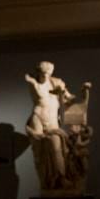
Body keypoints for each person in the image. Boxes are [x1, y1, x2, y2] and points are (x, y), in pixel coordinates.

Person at [24, 61, 91, 191]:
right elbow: (36, 89)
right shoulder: (33, 83)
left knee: (56, 147)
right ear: (39, 72)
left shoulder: (57, 83)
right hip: (38, 118)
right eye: (43, 73)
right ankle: (46, 181)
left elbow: (70, 99)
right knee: (39, 149)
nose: (46, 76)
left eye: (48, 73)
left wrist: (84, 92)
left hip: (52, 120)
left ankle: (61, 177)